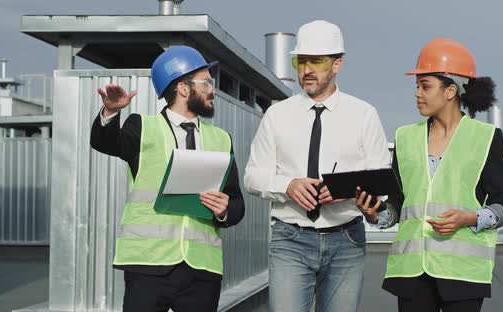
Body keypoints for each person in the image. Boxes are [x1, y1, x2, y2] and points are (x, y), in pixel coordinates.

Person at [356, 38, 503, 312]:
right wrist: (376, 214)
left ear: (450, 90)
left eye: (425, 86)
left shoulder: (486, 137)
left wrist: (471, 218)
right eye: (416, 86)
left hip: (462, 274)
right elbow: (398, 203)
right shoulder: (405, 137)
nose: (417, 93)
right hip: (411, 274)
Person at [244, 20, 391, 312]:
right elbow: (252, 176)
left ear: (337, 64)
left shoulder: (364, 115)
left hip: (346, 239)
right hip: (290, 239)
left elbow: (381, 182)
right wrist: (287, 185)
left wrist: (347, 192)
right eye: (301, 61)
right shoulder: (276, 115)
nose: (306, 69)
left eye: (317, 61)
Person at [90, 45, 245, 312]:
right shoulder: (142, 127)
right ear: (183, 88)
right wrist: (110, 113)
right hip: (148, 266)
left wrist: (224, 210)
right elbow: (105, 142)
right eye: (206, 82)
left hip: (202, 269)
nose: (213, 89)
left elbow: (236, 203)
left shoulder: (221, 139)